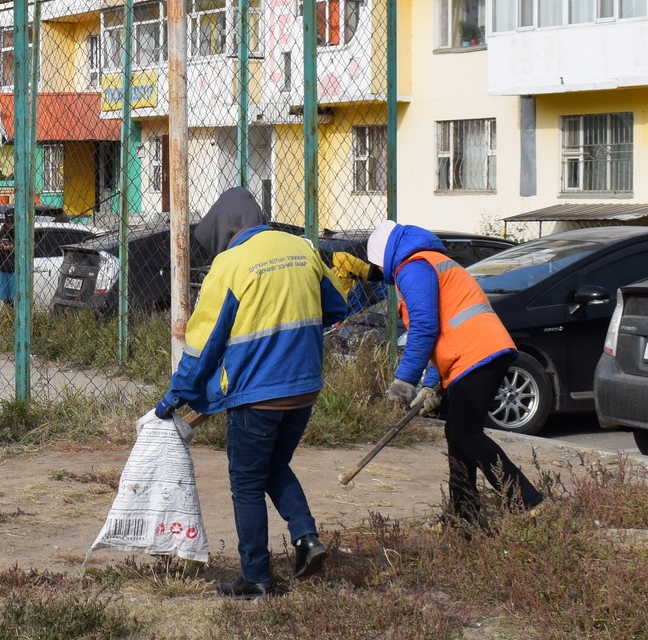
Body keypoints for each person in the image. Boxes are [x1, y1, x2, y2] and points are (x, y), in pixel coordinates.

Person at [154, 188, 336, 598]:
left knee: (247, 482)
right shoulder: (302, 249)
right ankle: (307, 538)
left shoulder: (230, 265)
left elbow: (203, 346)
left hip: (256, 396)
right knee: (274, 465)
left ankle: (255, 576)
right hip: (305, 387)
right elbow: (337, 305)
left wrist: (175, 396)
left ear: (224, 228)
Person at [367, 220, 544, 528]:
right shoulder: (432, 262)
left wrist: (405, 382)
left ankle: (525, 499)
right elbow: (447, 330)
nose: (385, 279)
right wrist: (433, 384)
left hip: (476, 356)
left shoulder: (414, 266)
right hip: (479, 354)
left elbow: (424, 327)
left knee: (466, 433)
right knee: (457, 433)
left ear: (386, 257)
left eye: (380, 271)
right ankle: (464, 517)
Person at [0, 206, 18, 307]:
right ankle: (8, 318)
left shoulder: (20, 233)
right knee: (6, 301)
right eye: (8, 222)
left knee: (16, 299)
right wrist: (0, 247)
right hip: (2, 270)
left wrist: (13, 249)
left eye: (12, 222)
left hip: (15, 270)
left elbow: (29, 251)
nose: (10, 224)